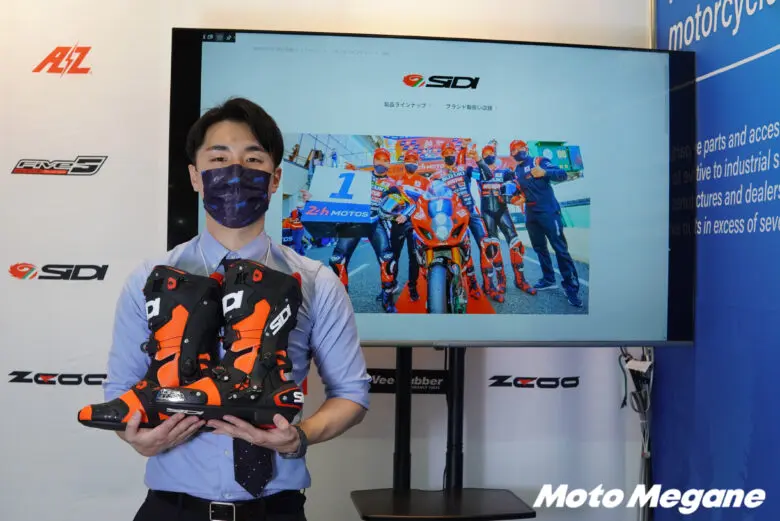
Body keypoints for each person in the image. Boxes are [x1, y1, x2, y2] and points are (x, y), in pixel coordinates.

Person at [103, 97, 371, 521]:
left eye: (252, 159)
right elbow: (121, 389)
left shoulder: (315, 281)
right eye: (219, 158)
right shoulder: (149, 281)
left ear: (275, 178)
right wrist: (136, 436)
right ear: (195, 176)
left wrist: (299, 437)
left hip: (275, 510)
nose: (235, 172)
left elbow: (351, 394)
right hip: (172, 509)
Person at [509, 139, 583, 307]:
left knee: (560, 249)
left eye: (521, 147)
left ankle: (571, 287)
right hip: (531, 214)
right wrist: (518, 198)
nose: (519, 151)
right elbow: (521, 193)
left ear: (526, 149)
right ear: (511, 154)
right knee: (539, 248)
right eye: (514, 149)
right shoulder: (516, 171)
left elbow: (562, 174)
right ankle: (549, 279)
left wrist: (544, 172)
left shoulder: (539, 161)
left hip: (549, 212)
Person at [325, 148, 398, 313]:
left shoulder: (393, 184)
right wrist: (313, 196)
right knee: (337, 259)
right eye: (378, 158)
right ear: (373, 161)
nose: (381, 162)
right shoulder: (359, 176)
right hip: (355, 220)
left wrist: (399, 211)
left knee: (387, 258)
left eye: (385, 160)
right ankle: (341, 302)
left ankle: (387, 298)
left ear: (389, 164)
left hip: (376, 221)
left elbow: (401, 203)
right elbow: (334, 190)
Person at [469, 143, 537, 300]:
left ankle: (520, 281)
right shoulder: (478, 172)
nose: (488, 156)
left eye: (490, 153)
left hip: (502, 211)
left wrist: (520, 196)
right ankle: (501, 280)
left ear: (495, 154)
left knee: (515, 243)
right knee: (492, 247)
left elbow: (517, 185)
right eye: (485, 154)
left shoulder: (505, 171)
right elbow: (468, 174)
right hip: (487, 213)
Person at [430, 141, 487, 299]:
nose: (450, 155)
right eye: (446, 153)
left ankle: (489, 284)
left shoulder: (465, 168)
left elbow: (485, 175)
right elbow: (431, 197)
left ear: (455, 154)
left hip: (472, 212)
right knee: (464, 249)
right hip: (455, 217)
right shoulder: (436, 176)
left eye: (452, 152)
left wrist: (479, 160)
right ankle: (472, 284)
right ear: (442, 156)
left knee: (485, 245)